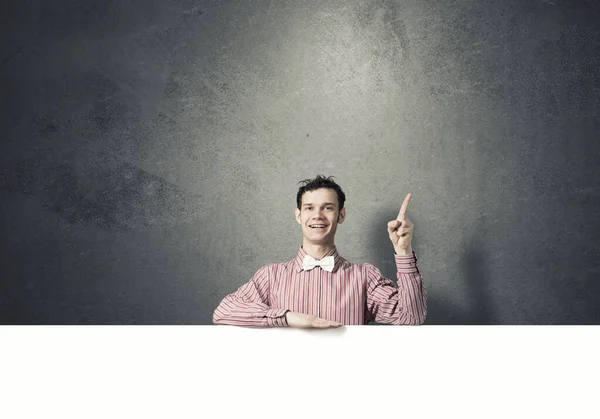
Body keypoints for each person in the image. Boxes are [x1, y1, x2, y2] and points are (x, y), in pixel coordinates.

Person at [212, 175, 427, 328]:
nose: (318, 215)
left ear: (341, 215)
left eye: (328, 207)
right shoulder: (271, 276)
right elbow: (223, 312)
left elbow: (410, 317)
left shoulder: (365, 277)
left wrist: (403, 250)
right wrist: (285, 317)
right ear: (298, 215)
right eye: (309, 208)